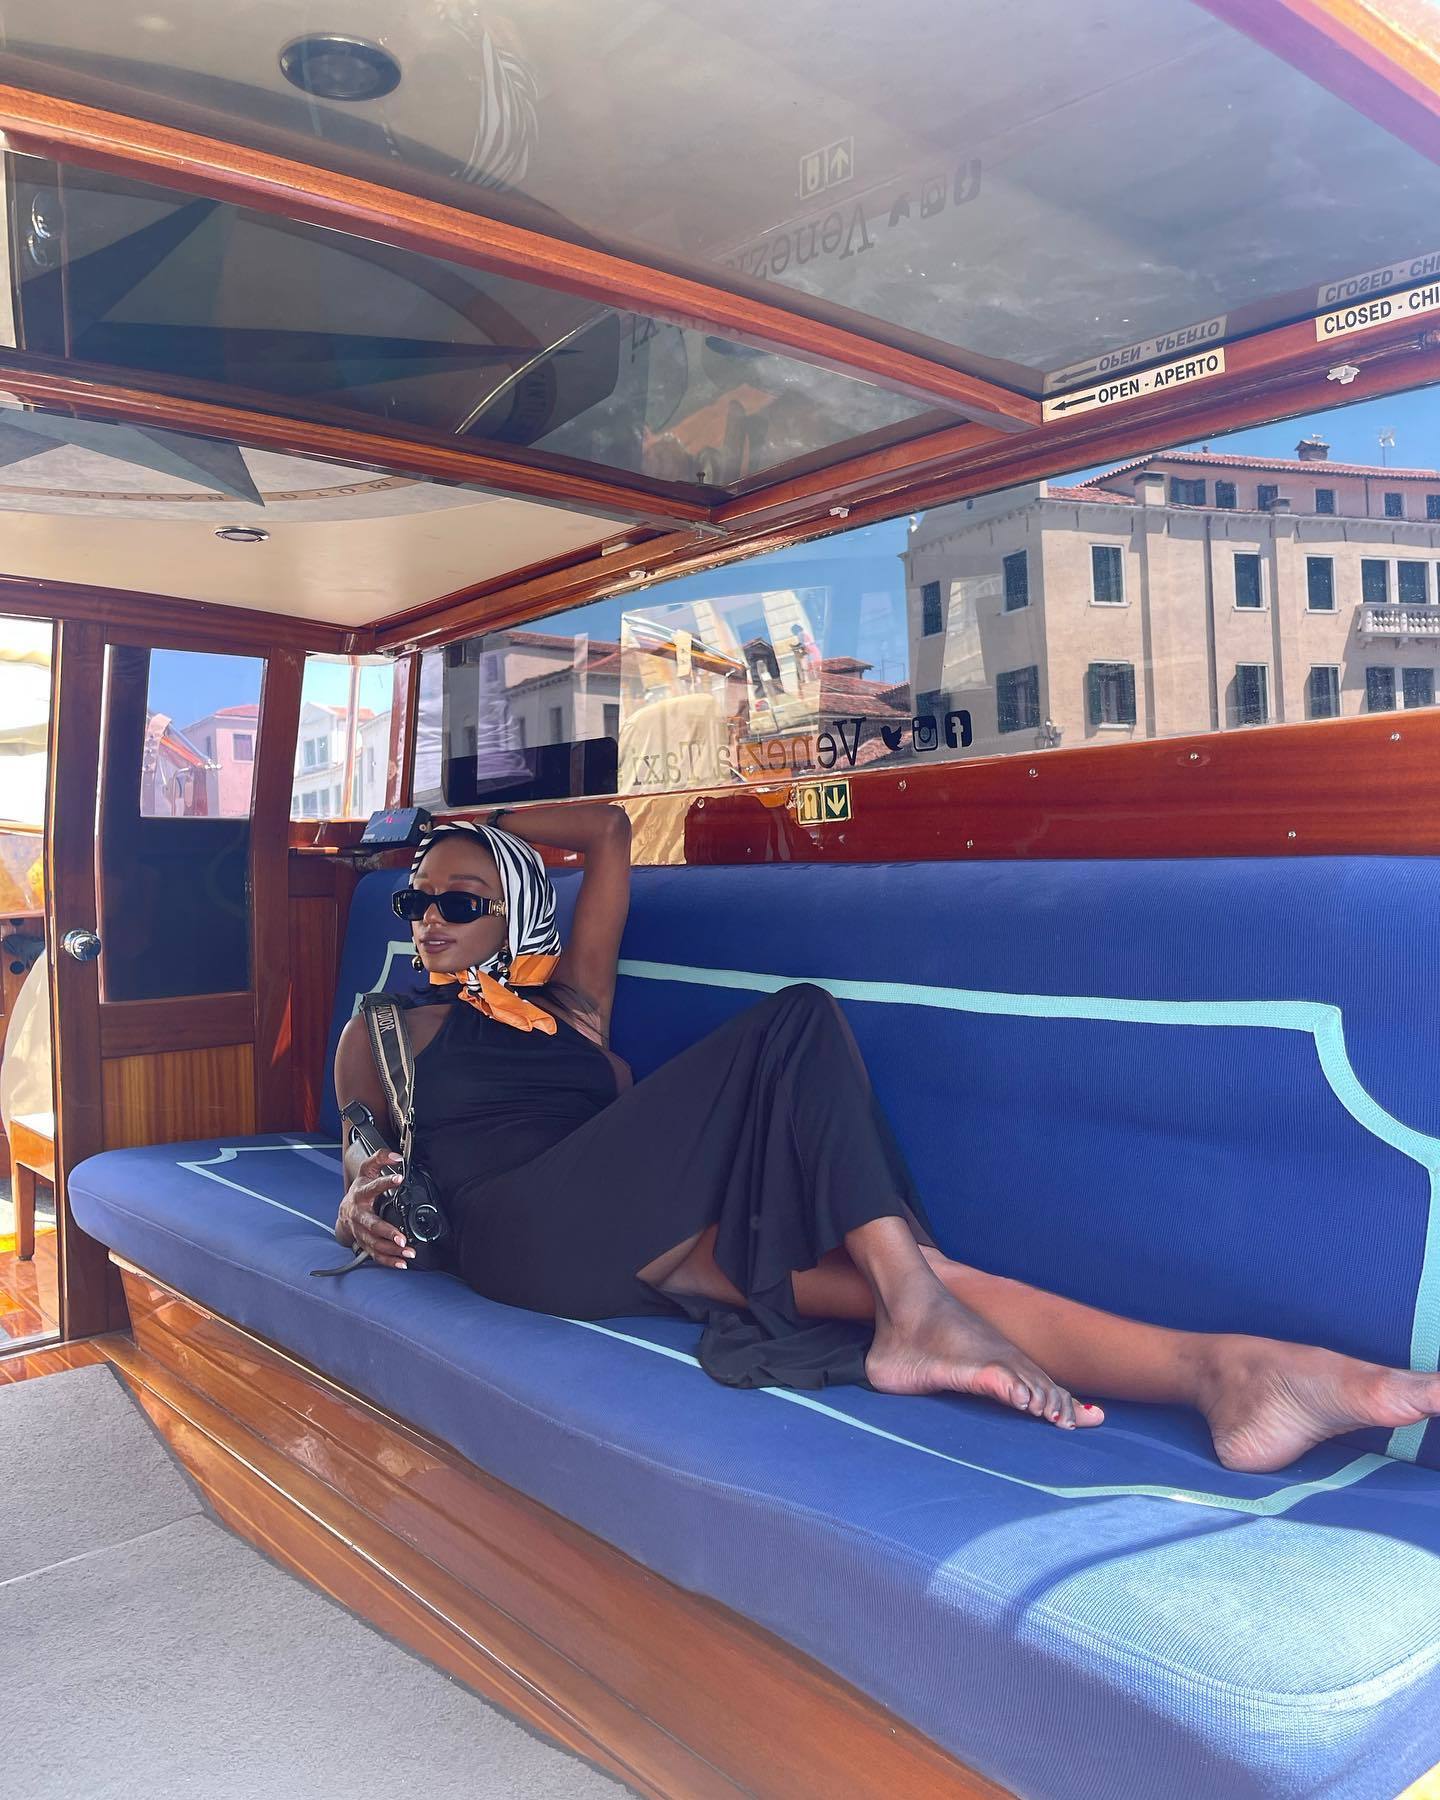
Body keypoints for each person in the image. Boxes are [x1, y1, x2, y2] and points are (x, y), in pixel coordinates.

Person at [333, 803, 1440, 1473]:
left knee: (928, 1280)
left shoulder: (575, 1006)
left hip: (631, 1225)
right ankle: (917, 1315)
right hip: (519, 1229)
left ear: (519, 910)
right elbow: (361, 1157)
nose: (427, 919)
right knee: (797, 1020)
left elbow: (609, 834)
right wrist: (356, 1199)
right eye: (414, 904)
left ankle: (1232, 1375)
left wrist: (457, 823)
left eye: (459, 901)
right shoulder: (387, 1026)